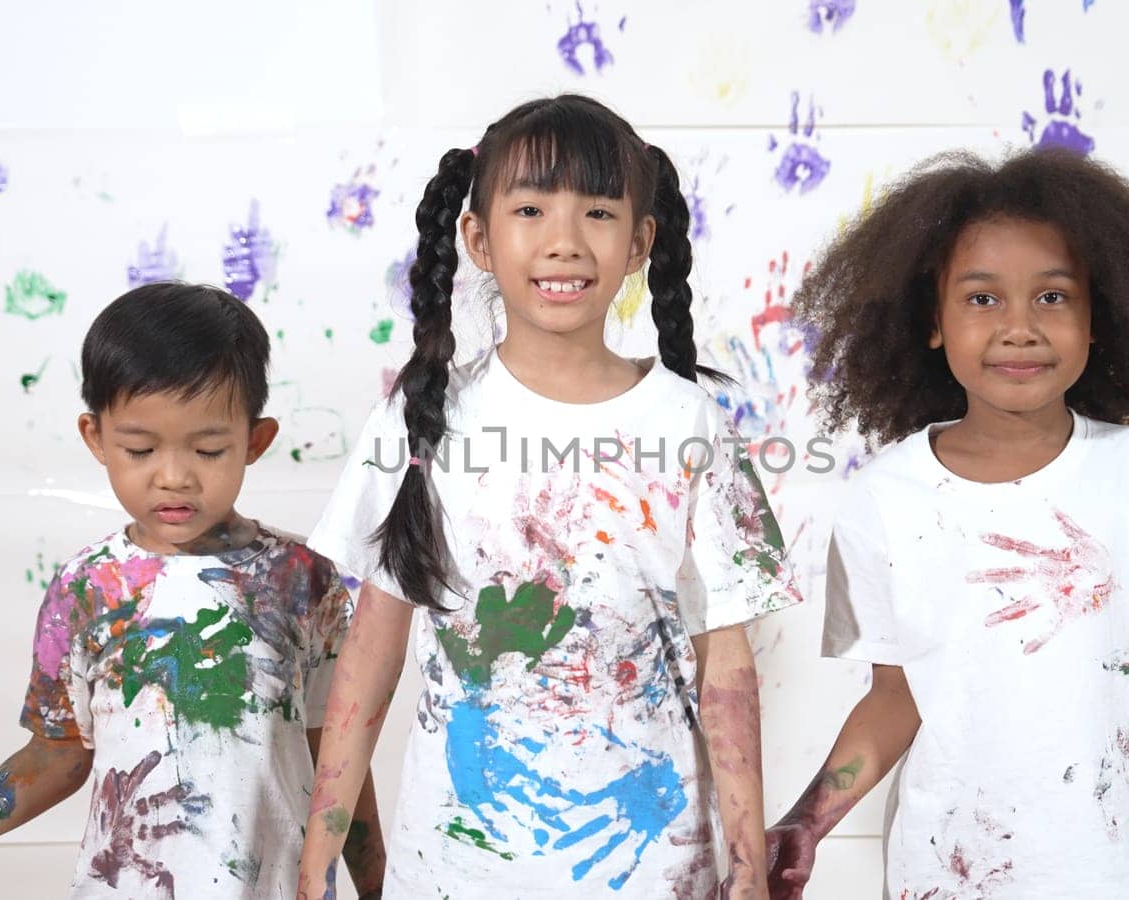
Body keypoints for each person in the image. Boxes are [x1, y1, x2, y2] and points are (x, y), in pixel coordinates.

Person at [296, 95, 803, 899]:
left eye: (598, 212)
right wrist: (319, 847)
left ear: (641, 242)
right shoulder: (421, 418)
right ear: (478, 239)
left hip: (651, 866)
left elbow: (727, 663)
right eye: (530, 209)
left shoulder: (689, 421)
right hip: (456, 870)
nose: (563, 241)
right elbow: (372, 646)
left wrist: (746, 865)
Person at [766, 148, 1129, 899]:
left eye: (1054, 297)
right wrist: (808, 819)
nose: (1019, 327)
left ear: (1101, 318)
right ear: (931, 321)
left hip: (1122, 876)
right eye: (982, 299)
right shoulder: (888, 497)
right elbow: (899, 696)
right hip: (950, 872)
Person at [0, 282, 384, 900]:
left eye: (209, 449)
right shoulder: (85, 590)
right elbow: (56, 756)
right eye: (139, 449)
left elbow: (339, 756)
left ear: (255, 440)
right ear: (95, 438)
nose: (174, 476)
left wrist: (380, 887)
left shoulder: (302, 579)